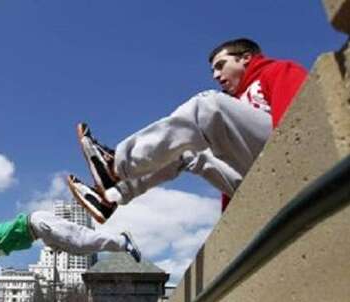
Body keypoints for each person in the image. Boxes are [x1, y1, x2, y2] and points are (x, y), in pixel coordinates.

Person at [67, 38, 308, 223]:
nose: (216, 75)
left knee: (208, 104)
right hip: (255, 183)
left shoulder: (277, 70)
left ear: (245, 58)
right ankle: (111, 197)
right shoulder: (232, 105)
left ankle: (115, 165)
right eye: (214, 70)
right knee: (187, 151)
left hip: (290, 160)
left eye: (221, 65)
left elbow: (300, 118)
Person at [0, 211, 141, 294]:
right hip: (40, 233)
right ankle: (121, 243)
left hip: (38, 222)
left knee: (80, 240)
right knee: (78, 249)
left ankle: (123, 240)